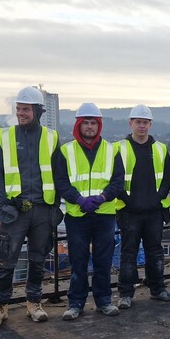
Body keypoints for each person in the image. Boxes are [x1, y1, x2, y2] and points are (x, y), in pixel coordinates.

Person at [0, 86, 62, 328]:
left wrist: (56, 206)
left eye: (26, 109)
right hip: (15, 211)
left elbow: (59, 173)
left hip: (42, 208)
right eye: (18, 109)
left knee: (38, 258)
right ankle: (0, 306)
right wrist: (4, 203)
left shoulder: (51, 137)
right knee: (7, 259)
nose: (21, 113)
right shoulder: (5, 136)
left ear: (37, 111)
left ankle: (34, 302)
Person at [56, 103, 125, 319]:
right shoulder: (66, 151)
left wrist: (102, 197)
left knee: (103, 261)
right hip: (77, 215)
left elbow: (118, 182)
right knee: (78, 261)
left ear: (99, 125)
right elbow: (60, 182)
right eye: (85, 122)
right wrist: (78, 199)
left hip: (104, 214)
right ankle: (76, 303)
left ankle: (103, 301)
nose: (89, 127)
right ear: (78, 124)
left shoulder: (111, 150)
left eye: (93, 123)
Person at [114, 104, 170, 309]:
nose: (141, 126)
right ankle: (125, 293)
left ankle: (157, 289)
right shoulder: (118, 148)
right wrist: (129, 200)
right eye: (138, 122)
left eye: (145, 122)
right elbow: (114, 180)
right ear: (130, 123)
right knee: (128, 253)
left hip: (153, 211)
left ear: (150, 124)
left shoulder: (160, 149)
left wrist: (157, 199)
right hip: (128, 210)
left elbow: (167, 179)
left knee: (155, 252)